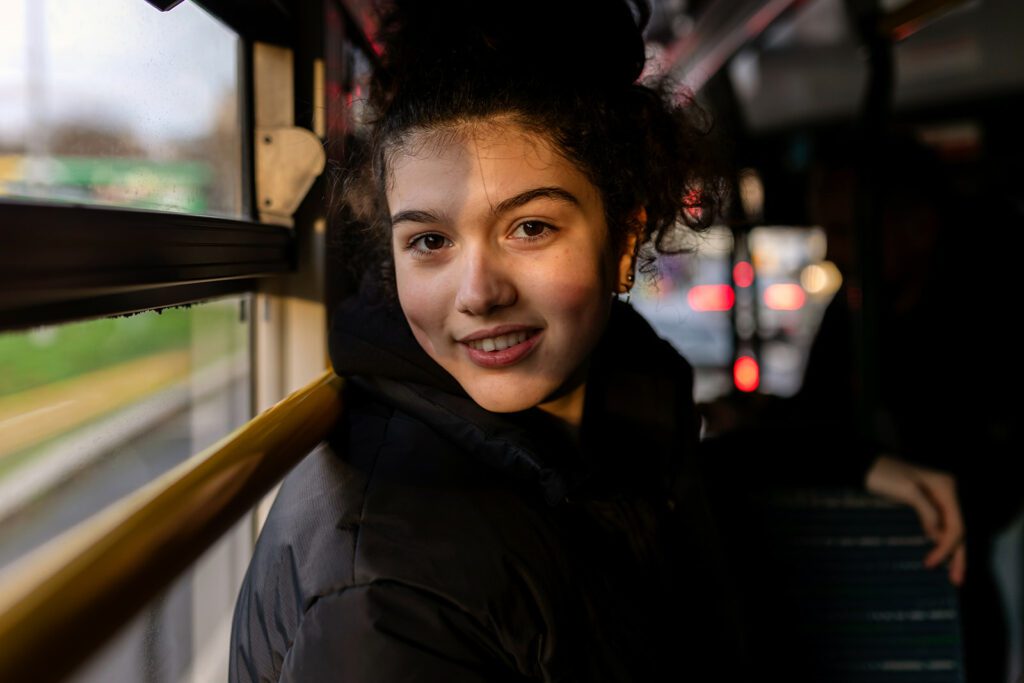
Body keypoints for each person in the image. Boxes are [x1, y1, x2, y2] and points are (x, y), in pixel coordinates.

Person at [229, 2, 966, 680]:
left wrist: (846, 460)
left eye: (530, 228)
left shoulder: (611, 388)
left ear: (624, 237)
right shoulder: (388, 585)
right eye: (429, 239)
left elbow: (655, 485)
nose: (478, 292)